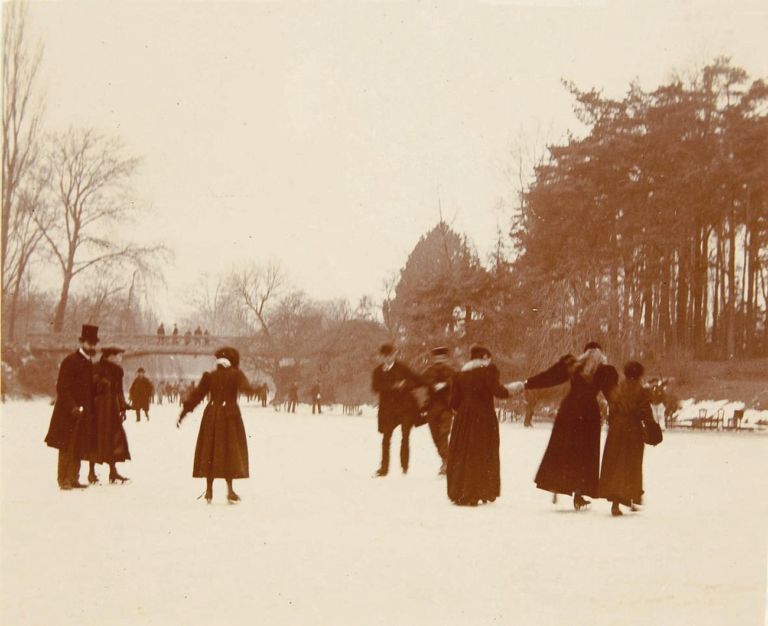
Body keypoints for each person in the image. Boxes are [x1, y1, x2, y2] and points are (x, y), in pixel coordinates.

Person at [510, 342, 618, 511]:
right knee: (585, 454)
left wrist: (526, 383)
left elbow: (549, 378)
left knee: (563, 448)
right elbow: (612, 396)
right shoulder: (604, 371)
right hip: (589, 414)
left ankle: (556, 483)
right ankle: (579, 492)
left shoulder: (572, 366)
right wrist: (618, 416)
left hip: (570, 410)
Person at [177, 347, 254, 503]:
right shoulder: (236, 374)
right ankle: (230, 490)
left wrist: (183, 413)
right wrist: (257, 390)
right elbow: (246, 389)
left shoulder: (210, 376)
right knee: (230, 451)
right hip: (230, 416)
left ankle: (209, 491)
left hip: (212, 415)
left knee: (210, 450)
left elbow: (196, 396)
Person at [447, 345, 518, 506]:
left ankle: (459, 491)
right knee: (482, 452)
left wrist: (464, 410)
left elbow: (453, 402)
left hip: (463, 418)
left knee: (463, 453)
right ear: (485, 357)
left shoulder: (459, 375)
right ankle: (480, 491)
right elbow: (499, 392)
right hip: (483, 417)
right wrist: (515, 388)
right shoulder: (488, 370)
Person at [44, 324, 99, 490]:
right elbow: (63, 387)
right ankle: (63, 479)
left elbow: (88, 389)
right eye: (89, 343)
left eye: (94, 343)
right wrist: (73, 408)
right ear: (82, 342)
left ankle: (74, 477)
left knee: (79, 445)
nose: (92, 346)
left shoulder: (88, 362)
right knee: (66, 445)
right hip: (68, 412)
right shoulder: (70, 361)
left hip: (83, 412)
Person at [599, 361, 655, 516]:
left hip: (616, 430)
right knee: (632, 464)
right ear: (639, 375)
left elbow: (611, 410)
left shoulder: (617, 389)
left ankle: (617, 502)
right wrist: (652, 428)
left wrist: (613, 425)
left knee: (616, 464)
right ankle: (631, 497)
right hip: (633, 431)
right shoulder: (641, 391)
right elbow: (645, 412)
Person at [371, 343, 422, 477]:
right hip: (388, 410)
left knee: (405, 437)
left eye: (390, 355)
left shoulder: (402, 368)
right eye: (385, 356)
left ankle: (404, 466)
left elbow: (417, 381)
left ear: (394, 355)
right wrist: (393, 386)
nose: (388, 359)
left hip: (405, 408)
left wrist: (405, 385)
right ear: (380, 357)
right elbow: (375, 387)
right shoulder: (377, 371)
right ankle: (384, 468)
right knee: (386, 438)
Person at [88, 346, 131, 484]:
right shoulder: (95, 367)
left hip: (112, 409)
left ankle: (113, 471)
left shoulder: (118, 370)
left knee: (114, 438)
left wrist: (123, 407)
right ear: (110, 356)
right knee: (95, 438)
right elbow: (91, 388)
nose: (121, 359)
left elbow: (119, 390)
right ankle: (91, 472)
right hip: (97, 409)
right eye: (119, 356)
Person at [420, 346, 456, 475]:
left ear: (446, 358)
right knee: (436, 438)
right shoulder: (428, 371)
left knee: (443, 435)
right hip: (431, 408)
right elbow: (420, 382)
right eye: (437, 357)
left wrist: (446, 384)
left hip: (446, 408)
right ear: (434, 359)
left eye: (442, 357)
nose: (439, 360)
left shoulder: (452, 372)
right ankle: (446, 460)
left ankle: (447, 462)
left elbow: (457, 382)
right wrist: (432, 384)